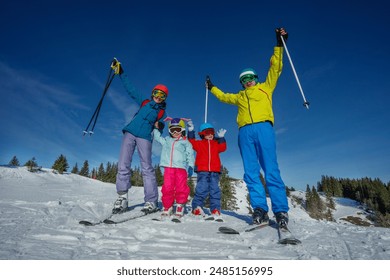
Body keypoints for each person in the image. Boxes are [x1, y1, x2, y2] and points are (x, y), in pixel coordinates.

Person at [205, 28, 290, 227]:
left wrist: (279, 44)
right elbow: (224, 96)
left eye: (250, 77)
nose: (248, 81)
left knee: (270, 169)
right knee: (250, 171)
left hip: (263, 128)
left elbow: (275, 68)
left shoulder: (266, 87)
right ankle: (260, 208)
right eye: (244, 80)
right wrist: (212, 88)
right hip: (244, 132)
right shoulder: (240, 96)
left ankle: (280, 210)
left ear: (256, 78)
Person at [110, 58, 167, 214]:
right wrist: (121, 71)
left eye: (162, 96)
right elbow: (130, 89)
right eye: (156, 93)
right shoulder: (144, 102)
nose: (158, 96)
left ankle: (151, 201)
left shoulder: (161, 112)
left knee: (147, 167)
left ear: (164, 99)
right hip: (130, 132)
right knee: (123, 164)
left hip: (144, 138)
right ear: (152, 93)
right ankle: (122, 198)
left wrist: (160, 126)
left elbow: (160, 130)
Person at [153, 118, 195, 218]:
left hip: (181, 168)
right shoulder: (167, 140)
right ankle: (167, 206)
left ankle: (180, 205)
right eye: (172, 130)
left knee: (181, 187)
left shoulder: (185, 142)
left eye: (178, 129)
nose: (175, 132)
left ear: (182, 130)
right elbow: (158, 138)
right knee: (167, 187)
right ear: (169, 131)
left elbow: (190, 154)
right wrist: (156, 129)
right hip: (169, 168)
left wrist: (190, 166)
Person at [187, 121, 227, 217]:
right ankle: (197, 207)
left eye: (211, 132)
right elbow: (191, 142)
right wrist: (191, 131)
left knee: (215, 190)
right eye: (207, 132)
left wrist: (221, 138)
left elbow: (223, 148)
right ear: (202, 134)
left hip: (214, 171)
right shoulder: (199, 144)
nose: (210, 134)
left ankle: (215, 209)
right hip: (203, 170)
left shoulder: (216, 144)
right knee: (201, 189)